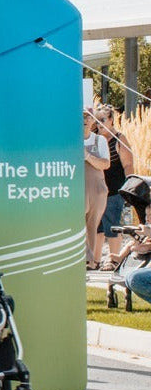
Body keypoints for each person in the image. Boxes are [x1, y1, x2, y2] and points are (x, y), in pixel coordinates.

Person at [94, 105, 133, 268]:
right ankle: (95, 260)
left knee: (112, 225)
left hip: (115, 190)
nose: (99, 124)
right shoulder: (94, 138)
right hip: (98, 190)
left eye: (102, 120)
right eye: (96, 121)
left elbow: (128, 165)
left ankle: (114, 260)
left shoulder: (119, 138)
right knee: (97, 227)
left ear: (111, 120)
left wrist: (129, 189)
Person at [82, 109, 109, 271]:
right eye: (81, 116)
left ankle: (90, 261)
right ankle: (82, 258)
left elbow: (105, 164)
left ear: (93, 121)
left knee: (92, 225)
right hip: (76, 187)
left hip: (96, 188)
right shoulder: (71, 140)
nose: (84, 120)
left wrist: (88, 157)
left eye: (87, 117)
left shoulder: (99, 141)